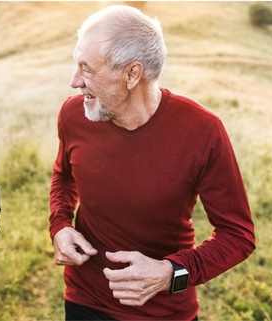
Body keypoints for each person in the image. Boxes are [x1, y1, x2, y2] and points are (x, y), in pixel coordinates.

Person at [49, 5, 256, 320]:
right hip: (84, 300)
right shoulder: (74, 115)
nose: (75, 81)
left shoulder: (202, 131)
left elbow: (237, 234)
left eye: (87, 68)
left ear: (132, 74)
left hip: (163, 313)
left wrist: (170, 273)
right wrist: (60, 226)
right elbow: (64, 178)